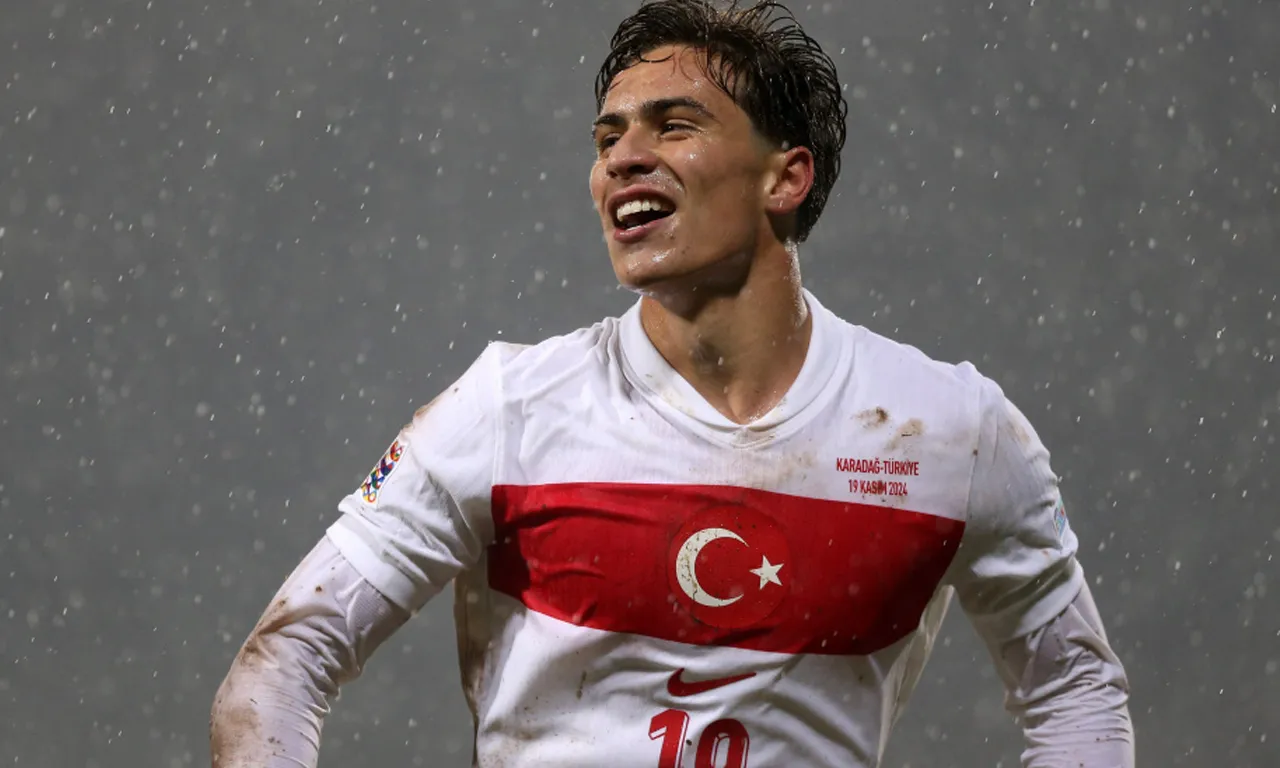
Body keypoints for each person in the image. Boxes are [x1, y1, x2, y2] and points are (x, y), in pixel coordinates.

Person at [209, 1, 1135, 765]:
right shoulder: (505, 408)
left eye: (674, 124)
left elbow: (1077, 689)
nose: (622, 157)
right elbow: (289, 655)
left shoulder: (951, 431)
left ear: (786, 178)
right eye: (608, 136)